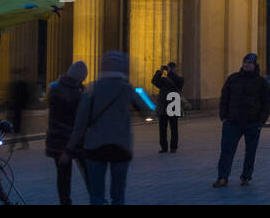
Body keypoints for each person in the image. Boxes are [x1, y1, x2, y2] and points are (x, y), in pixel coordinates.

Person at [67, 51, 150, 205]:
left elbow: (80, 124)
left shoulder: (91, 89)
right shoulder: (127, 88)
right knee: (118, 194)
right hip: (121, 146)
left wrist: (69, 148)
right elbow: (147, 110)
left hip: (95, 146)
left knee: (96, 193)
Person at [214, 51, 270, 188]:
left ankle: (246, 177)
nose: (246, 65)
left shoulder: (261, 82)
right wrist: (224, 116)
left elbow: (267, 102)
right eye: (245, 62)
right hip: (232, 122)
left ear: (255, 65)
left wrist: (261, 121)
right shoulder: (233, 79)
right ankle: (222, 177)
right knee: (227, 150)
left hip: (252, 123)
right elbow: (224, 98)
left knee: (250, 152)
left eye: (250, 63)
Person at [44, 61, 87, 206]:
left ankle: (65, 203)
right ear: (80, 78)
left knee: (63, 177)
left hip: (57, 140)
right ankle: (97, 198)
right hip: (75, 141)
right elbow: (81, 120)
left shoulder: (54, 88)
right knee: (88, 173)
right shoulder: (78, 94)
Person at [152, 60, 184, 154]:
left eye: (172, 68)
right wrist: (160, 71)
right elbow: (154, 81)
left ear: (175, 69)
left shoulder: (180, 79)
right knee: (162, 129)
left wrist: (169, 72)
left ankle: (173, 147)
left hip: (173, 106)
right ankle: (164, 147)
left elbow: (177, 81)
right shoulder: (164, 80)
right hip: (163, 107)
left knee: (174, 129)